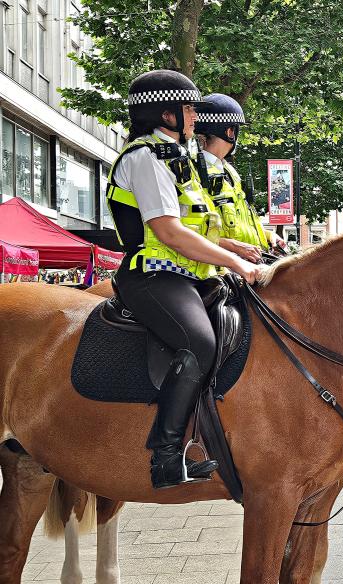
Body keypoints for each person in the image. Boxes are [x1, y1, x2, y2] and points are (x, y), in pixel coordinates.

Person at [106, 70, 263, 489]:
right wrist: (237, 263)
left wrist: (232, 246)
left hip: (191, 276)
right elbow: (169, 233)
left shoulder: (177, 159)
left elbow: (196, 227)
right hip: (153, 277)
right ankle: (166, 456)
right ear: (165, 112)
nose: (196, 116)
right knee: (200, 342)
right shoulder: (145, 157)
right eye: (189, 108)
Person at [194, 93, 285, 260]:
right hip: (223, 267)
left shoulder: (229, 171)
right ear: (230, 132)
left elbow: (239, 223)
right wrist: (233, 247)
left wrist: (267, 236)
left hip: (252, 260)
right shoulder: (194, 173)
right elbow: (190, 234)